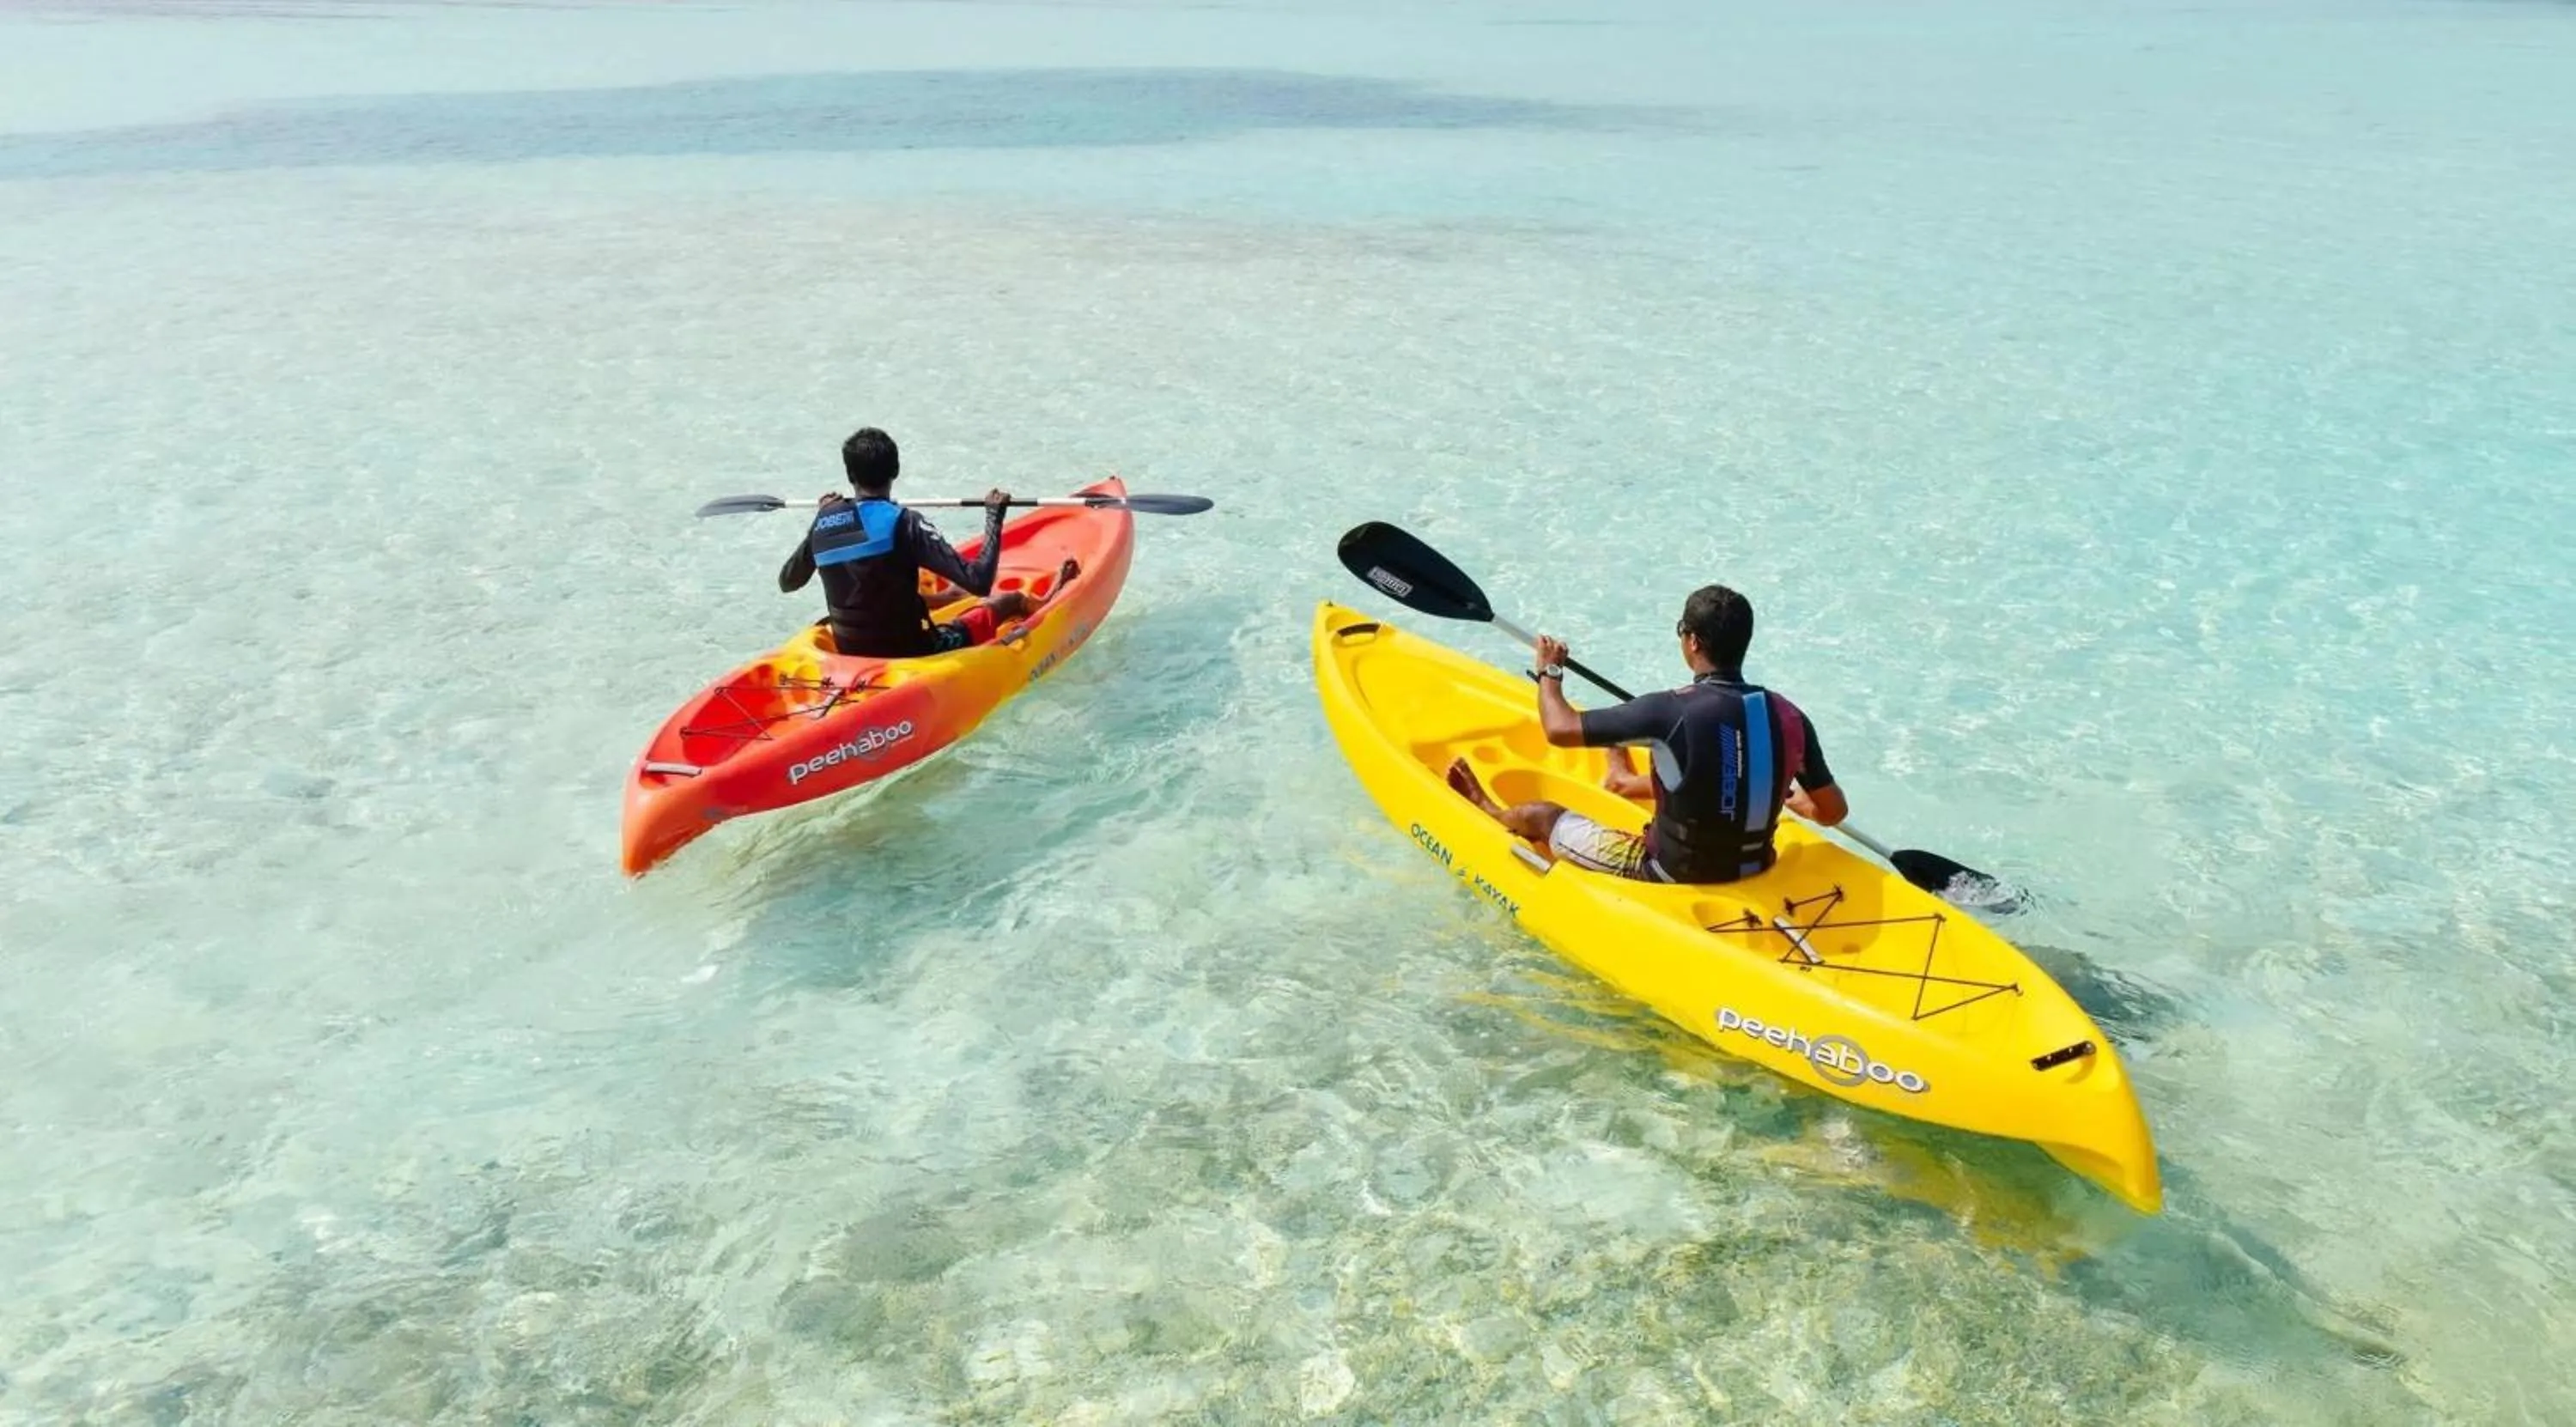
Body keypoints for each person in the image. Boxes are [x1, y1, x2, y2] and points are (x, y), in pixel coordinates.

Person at [1443, 583, 1847, 884]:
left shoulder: (1669, 710)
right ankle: (1619, 777)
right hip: (1757, 869)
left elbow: (1559, 729)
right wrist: (1796, 802)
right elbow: (1832, 813)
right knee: (1696, 773)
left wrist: (1549, 672)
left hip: (1669, 872)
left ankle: (1493, 813)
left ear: (1692, 641)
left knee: (1540, 815)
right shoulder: (1789, 716)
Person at [778, 427, 1077, 658]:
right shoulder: (903, 521)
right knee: (1005, 600)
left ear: (849, 475)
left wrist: (821, 520)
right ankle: (1046, 602)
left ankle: (948, 599)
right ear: (895, 470)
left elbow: (788, 582)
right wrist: (994, 517)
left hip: (852, 653)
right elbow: (979, 581)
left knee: (889, 579)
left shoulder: (825, 523)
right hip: (914, 652)